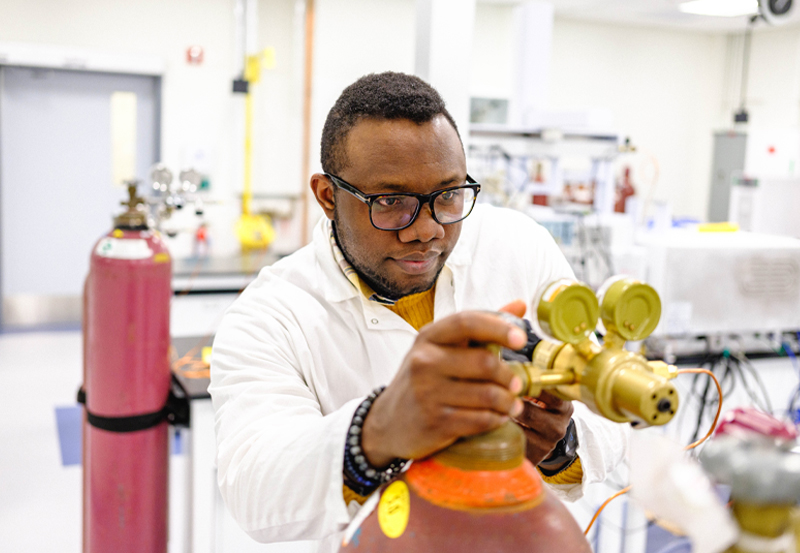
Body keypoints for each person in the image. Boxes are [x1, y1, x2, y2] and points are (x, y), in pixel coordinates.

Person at [209, 71, 627, 552]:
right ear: (328, 197)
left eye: (447, 195)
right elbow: (255, 490)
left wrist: (561, 445)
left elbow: (611, 416)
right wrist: (379, 427)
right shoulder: (271, 315)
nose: (427, 230)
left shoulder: (519, 247)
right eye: (391, 203)